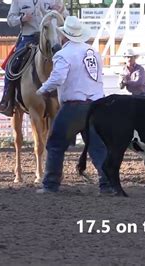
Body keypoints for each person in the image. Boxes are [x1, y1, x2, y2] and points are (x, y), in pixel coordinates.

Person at [35, 16, 112, 194]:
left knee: (55, 144)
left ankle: (50, 184)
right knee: (97, 147)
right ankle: (108, 184)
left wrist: (42, 89)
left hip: (74, 107)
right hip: (97, 105)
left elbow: (58, 78)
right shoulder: (93, 52)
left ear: (65, 36)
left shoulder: (63, 54)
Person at [0, 0, 69, 116]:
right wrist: (21, 19)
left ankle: (72, 97)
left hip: (51, 38)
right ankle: (7, 99)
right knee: (13, 64)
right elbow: (10, 19)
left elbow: (66, 17)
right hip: (28, 37)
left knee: (69, 59)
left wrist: (59, 13)